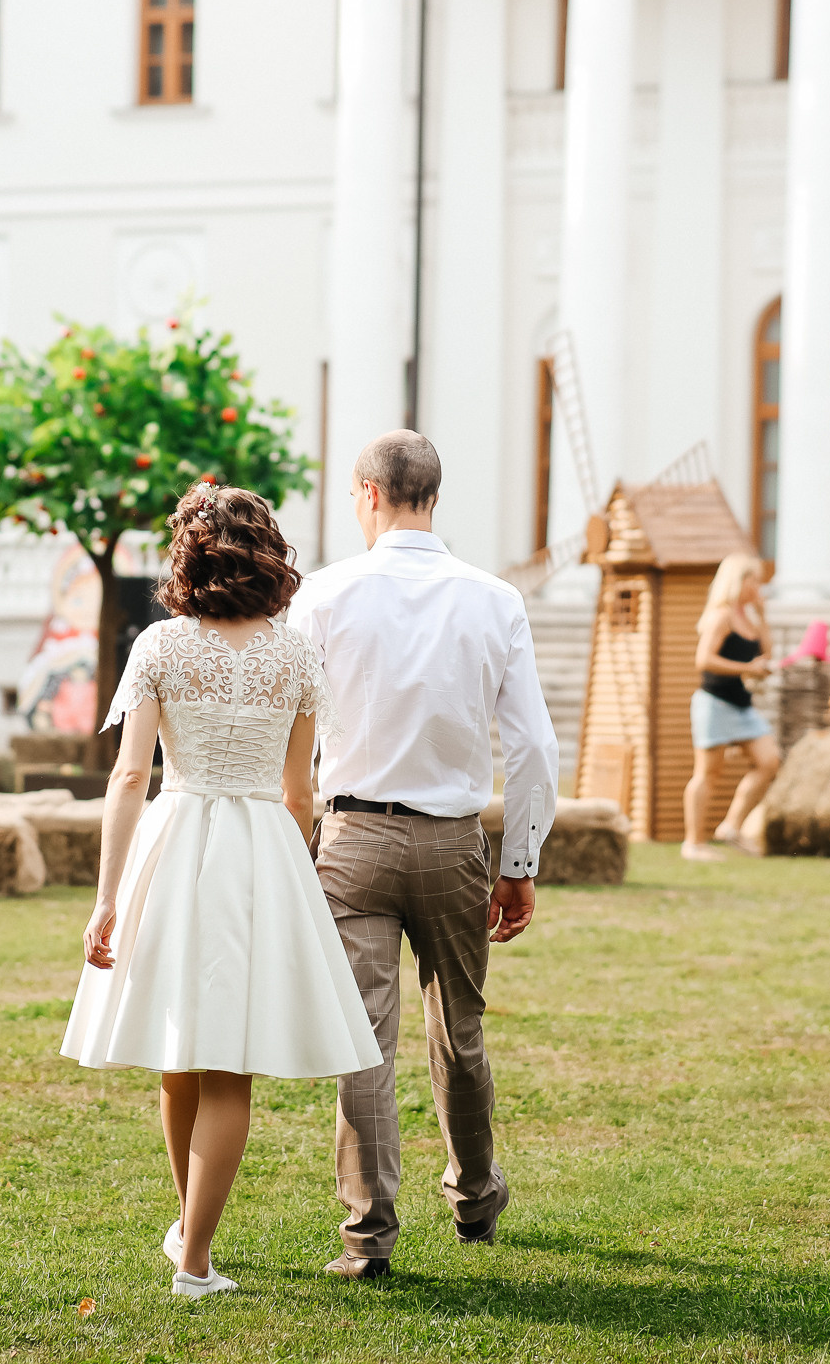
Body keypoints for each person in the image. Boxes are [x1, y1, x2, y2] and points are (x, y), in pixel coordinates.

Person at [61, 484, 378, 1300]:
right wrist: (293, 874)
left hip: (176, 838)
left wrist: (106, 897)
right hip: (262, 847)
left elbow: (132, 775)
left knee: (181, 1053)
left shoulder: (160, 647)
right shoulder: (296, 654)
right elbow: (301, 791)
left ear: (189, 555)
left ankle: (194, 1257)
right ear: (269, 554)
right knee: (224, 1065)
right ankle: (190, 1239)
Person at [287, 430, 559, 1280]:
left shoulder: (322, 596)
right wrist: (520, 862)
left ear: (367, 494)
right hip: (452, 842)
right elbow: (534, 746)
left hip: (352, 836)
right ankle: (476, 1194)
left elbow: (288, 732)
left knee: (364, 1039)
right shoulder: (493, 598)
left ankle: (368, 1237)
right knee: (460, 1030)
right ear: (434, 497)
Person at [683, 553, 781, 861]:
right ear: (739, 581)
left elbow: (766, 651)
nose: (759, 585)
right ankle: (693, 843)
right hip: (714, 701)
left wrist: (763, 617)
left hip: (741, 704)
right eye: (754, 579)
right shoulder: (721, 616)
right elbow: (704, 660)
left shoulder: (748, 616)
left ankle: (731, 827)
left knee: (769, 761)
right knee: (708, 773)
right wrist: (747, 668)